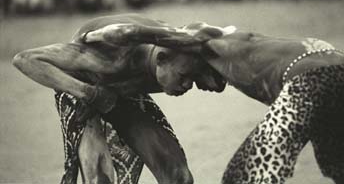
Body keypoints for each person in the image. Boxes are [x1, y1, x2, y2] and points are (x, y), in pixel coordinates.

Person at [84, 20, 344, 184]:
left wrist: (95, 36)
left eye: (190, 76)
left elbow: (135, 32)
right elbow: (216, 84)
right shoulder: (242, 46)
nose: (193, 85)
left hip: (309, 78)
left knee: (244, 175)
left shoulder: (205, 42)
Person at [12, 14, 225, 184]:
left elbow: (210, 38)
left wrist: (210, 73)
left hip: (121, 92)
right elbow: (26, 59)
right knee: (99, 180)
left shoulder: (177, 45)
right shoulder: (111, 55)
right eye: (183, 77)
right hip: (81, 88)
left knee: (179, 178)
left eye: (193, 78)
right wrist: (90, 94)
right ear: (161, 60)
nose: (188, 85)